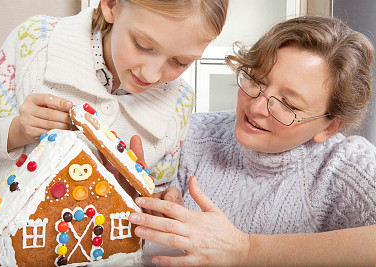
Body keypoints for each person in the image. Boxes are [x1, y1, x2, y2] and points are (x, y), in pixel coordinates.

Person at [127, 15, 376, 266]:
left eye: (288, 104)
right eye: (257, 80)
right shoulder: (192, 133)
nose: (256, 107)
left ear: (330, 127)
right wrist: (153, 223)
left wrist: (245, 250)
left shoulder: (345, 166)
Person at [0, 0, 229, 212]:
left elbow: (156, 188)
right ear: (111, 5)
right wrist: (17, 130)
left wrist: (156, 201)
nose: (151, 75)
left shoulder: (180, 103)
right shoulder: (34, 42)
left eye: (180, 61)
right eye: (143, 45)